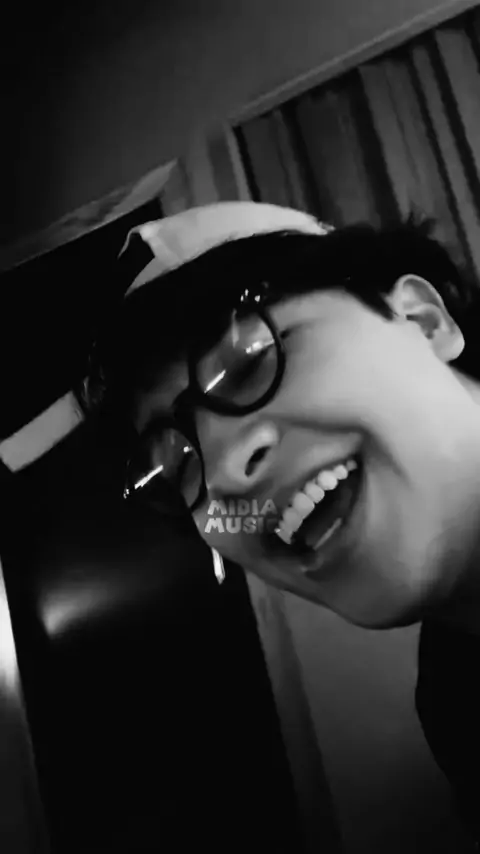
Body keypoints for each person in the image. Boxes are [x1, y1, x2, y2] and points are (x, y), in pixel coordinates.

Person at [83, 201, 480, 843]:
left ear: (421, 319)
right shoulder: (456, 710)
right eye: (176, 465)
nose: (222, 473)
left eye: (250, 360)